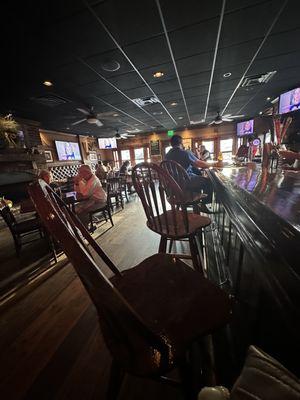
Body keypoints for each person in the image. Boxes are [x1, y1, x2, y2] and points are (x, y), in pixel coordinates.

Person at [165, 135, 213, 211]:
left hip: (173, 186)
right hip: (186, 182)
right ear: (181, 143)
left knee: (197, 178)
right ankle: (204, 204)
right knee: (208, 181)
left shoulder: (167, 156)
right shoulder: (185, 153)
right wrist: (213, 164)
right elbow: (200, 164)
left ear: (171, 144)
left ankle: (196, 200)